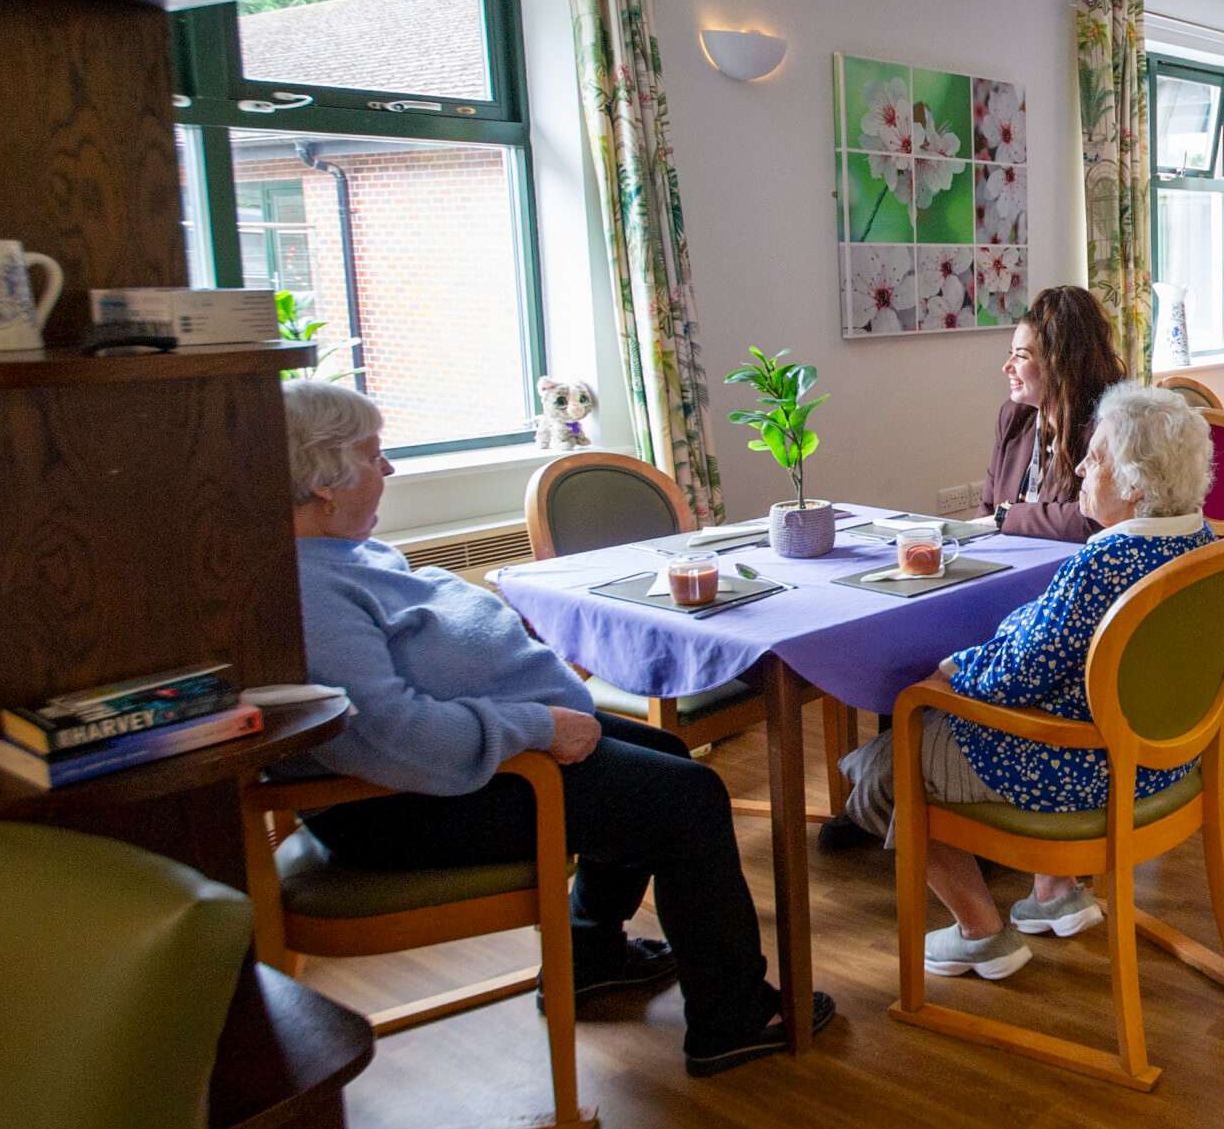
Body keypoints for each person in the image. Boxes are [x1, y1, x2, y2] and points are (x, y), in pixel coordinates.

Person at [273, 380, 830, 1075]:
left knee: (658, 754)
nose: (387, 470)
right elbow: (389, 733)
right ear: (324, 478)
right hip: (408, 805)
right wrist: (535, 724)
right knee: (684, 797)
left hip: (480, 763)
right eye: (373, 454)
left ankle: (591, 954)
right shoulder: (309, 591)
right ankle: (734, 1016)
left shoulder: (350, 556)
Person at [839, 383, 1216, 979]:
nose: (1081, 467)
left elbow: (1013, 680)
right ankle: (1056, 895)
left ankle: (981, 933)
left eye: (1096, 458)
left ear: (1138, 484)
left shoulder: (1103, 566)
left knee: (889, 760)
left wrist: (954, 669)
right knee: (992, 706)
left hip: (1088, 770)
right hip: (1164, 757)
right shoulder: (1203, 543)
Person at [979, 284, 1126, 543]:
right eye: (1010, 353)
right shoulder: (1013, 416)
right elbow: (988, 508)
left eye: (1021, 357)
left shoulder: (1108, 426)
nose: (1007, 367)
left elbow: (1093, 519)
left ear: (1059, 365)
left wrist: (1009, 517)